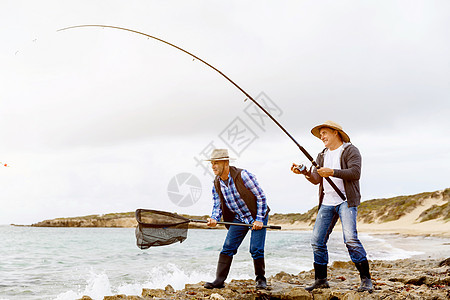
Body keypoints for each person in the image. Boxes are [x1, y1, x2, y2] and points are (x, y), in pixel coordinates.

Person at [290, 121, 373, 293]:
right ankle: (321, 280)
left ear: (336, 133)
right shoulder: (322, 155)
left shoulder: (350, 150)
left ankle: (366, 280)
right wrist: (304, 172)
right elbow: (316, 179)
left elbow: (355, 173)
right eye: (320, 135)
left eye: (325, 133)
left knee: (350, 238)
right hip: (327, 202)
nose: (322, 137)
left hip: (346, 201)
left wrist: (333, 172)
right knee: (317, 241)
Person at [204, 148, 270, 290]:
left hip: (257, 215)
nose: (213, 166)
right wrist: (214, 218)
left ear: (226, 163)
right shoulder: (216, 183)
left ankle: (260, 279)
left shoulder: (243, 175)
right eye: (212, 163)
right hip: (239, 218)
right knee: (227, 248)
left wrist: (258, 219)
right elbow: (217, 205)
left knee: (256, 249)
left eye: (216, 163)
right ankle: (219, 281)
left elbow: (261, 197)